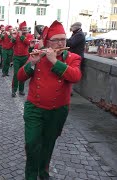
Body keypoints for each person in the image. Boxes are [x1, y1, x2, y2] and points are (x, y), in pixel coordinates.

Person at [17, 20, 82, 180]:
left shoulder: (73, 57)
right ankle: (30, 176)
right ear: (48, 42)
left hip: (58, 110)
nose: (61, 42)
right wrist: (32, 63)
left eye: (63, 39)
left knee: (48, 144)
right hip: (34, 108)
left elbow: (75, 76)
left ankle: (43, 172)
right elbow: (20, 76)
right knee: (32, 144)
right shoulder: (38, 54)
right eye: (56, 40)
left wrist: (54, 61)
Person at [11, 21, 33, 97]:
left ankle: (21, 90)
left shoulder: (29, 35)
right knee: (16, 74)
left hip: (24, 57)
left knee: (23, 74)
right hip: (16, 57)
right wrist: (13, 38)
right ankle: (14, 90)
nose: (24, 30)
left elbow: (29, 43)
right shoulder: (16, 35)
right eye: (23, 29)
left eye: (25, 28)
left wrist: (21, 37)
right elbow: (11, 44)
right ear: (20, 29)